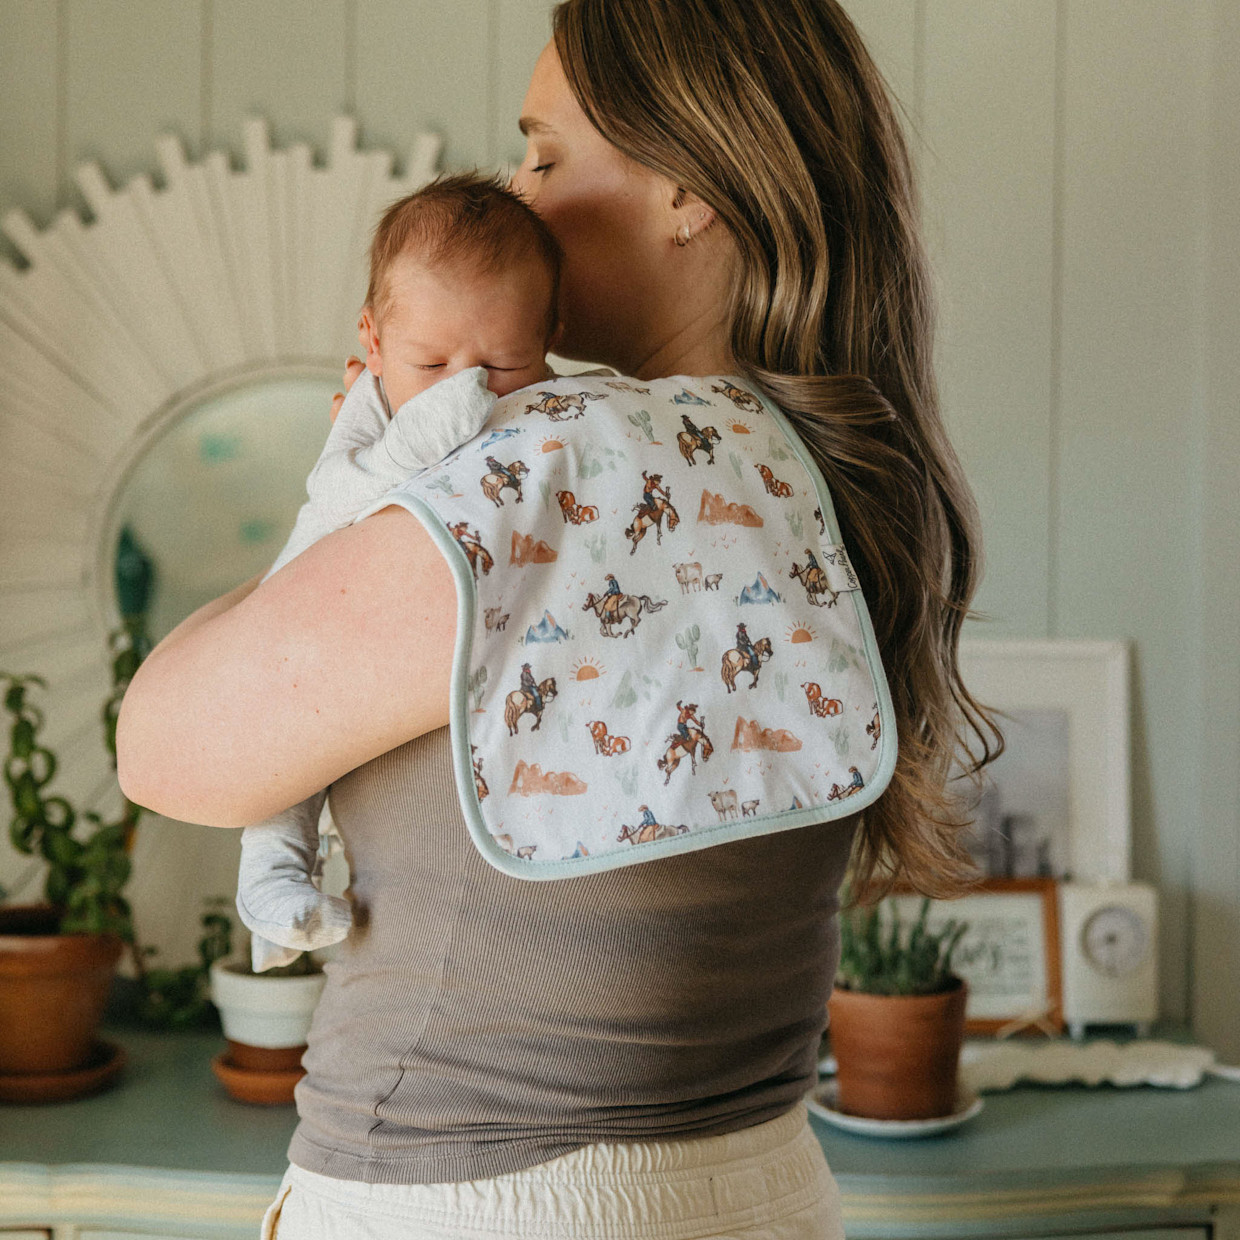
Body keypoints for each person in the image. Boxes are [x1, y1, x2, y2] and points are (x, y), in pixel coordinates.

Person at [115, 2, 1004, 1236]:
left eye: (543, 154)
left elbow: (165, 746)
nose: (521, 197)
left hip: (480, 1201)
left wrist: (360, 492)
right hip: (757, 1188)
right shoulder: (825, 468)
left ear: (687, 186)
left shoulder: (547, 469)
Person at [232, 172, 564, 972]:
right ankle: (272, 883)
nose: (468, 389)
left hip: (437, 648)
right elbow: (339, 492)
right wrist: (413, 441)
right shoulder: (370, 405)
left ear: (549, 337)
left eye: (503, 363)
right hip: (318, 591)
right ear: (374, 342)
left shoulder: (551, 407)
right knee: (279, 756)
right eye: (432, 362)